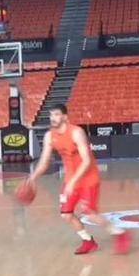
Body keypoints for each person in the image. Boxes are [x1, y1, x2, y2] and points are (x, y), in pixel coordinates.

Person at [27, 104, 131, 255]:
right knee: (66, 214)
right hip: (70, 179)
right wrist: (32, 178)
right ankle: (88, 241)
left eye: (56, 114)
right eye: (51, 115)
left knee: (90, 214)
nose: (53, 118)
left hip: (88, 178)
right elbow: (44, 161)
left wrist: (73, 182)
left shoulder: (76, 133)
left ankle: (120, 233)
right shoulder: (49, 136)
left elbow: (87, 161)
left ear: (65, 117)